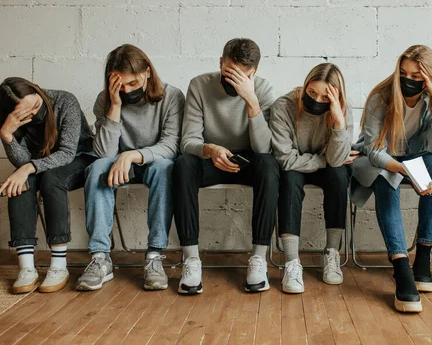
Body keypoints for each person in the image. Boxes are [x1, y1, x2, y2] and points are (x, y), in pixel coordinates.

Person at [352, 45, 432, 312]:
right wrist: (402, 169)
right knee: (386, 178)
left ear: (429, 79)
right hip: (381, 160)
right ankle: (400, 266)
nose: (408, 81)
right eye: (403, 73)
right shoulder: (380, 96)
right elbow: (374, 150)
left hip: (415, 159)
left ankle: (423, 257)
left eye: (416, 77)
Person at [173, 38, 279, 294]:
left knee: (269, 165)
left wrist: (251, 102)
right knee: (183, 164)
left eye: (245, 75)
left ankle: (258, 258)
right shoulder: (199, 85)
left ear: (254, 73)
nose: (235, 80)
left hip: (249, 158)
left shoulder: (262, 90)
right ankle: (191, 259)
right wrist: (209, 149)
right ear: (221, 63)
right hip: (211, 155)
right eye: (230, 72)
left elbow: (264, 148)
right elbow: (188, 141)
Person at [77, 44, 185, 291]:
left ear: (147, 72)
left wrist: (133, 155)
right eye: (120, 85)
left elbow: (172, 146)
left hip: (152, 162)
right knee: (96, 169)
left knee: (164, 168)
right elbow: (104, 153)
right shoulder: (105, 100)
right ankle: (100, 258)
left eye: (133, 84)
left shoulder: (172, 96)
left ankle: (154, 255)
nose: (127, 91)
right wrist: (114, 106)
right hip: (118, 164)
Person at [0, 77, 96, 293]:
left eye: (36, 106)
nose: (34, 115)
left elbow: (68, 153)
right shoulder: (11, 124)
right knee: (18, 182)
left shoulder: (64, 101)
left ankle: (59, 265)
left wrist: (28, 168)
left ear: (38, 92)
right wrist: (7, 135)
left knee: (52, 179)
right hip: (41, 163)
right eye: (26, 115)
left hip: (79, 157)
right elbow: (22, 162)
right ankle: (26, 267)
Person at [270, 63, 355, 294]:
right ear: (305, 85)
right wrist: (323, 159)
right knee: (289, 178)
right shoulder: (283, 106)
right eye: (312, 92)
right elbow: (285, 159)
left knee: (339, 176)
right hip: (296, 167)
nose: (317, 100)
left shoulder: (342, 111)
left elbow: (337, 162)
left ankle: (331, 253)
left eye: (324, 97)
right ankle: (291, 262)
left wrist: (338, 121)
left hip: (326, 166)